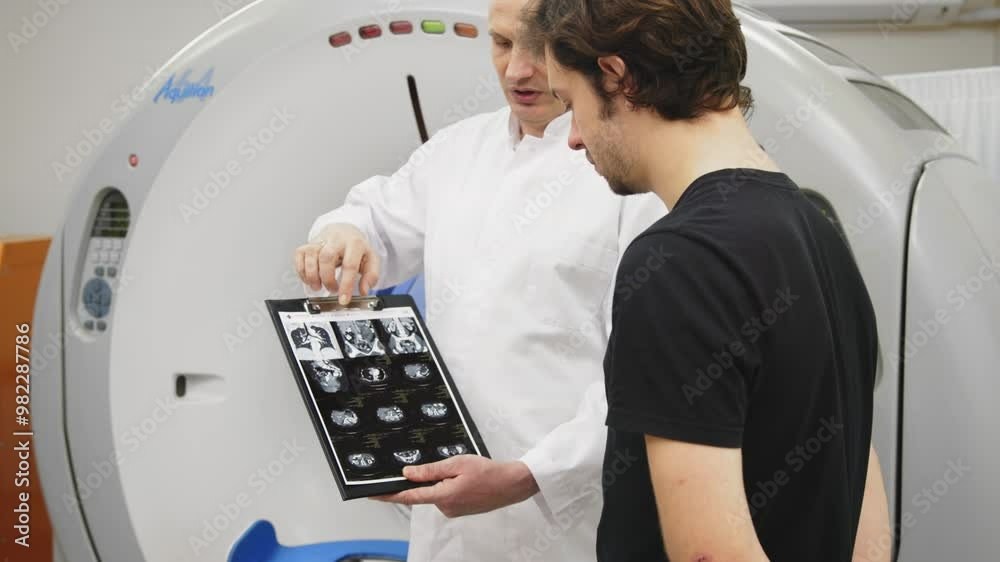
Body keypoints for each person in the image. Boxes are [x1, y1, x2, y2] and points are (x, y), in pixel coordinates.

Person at [293, 0, 663, 559]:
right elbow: (374, 220)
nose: (517, 70)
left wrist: (530, 474)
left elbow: (641, 374)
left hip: (573, 517)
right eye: (502, 43)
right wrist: (342, 232)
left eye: (540, 48)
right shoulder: (458, 150)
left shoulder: (628, 172)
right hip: (447, 520)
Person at [523, 1, 890, 561]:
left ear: (617, 77)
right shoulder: (818, 228)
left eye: (572, 104)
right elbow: (864, 498)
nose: (573, 138)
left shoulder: (678, 260)